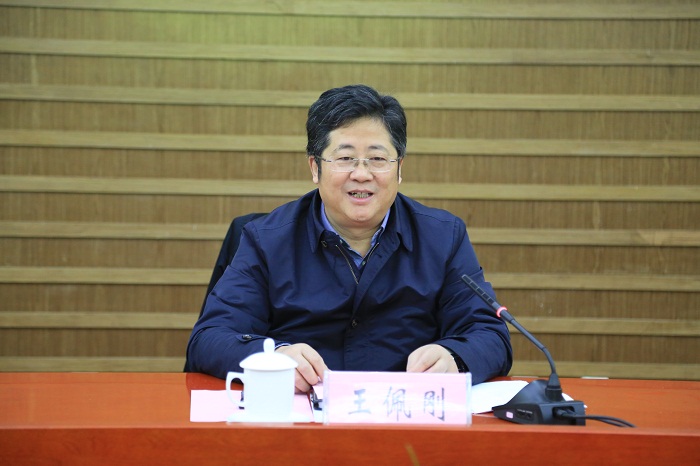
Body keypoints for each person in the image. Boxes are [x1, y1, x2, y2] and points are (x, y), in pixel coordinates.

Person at [186, 84, 512, 392]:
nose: (361, 174)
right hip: (301, 416)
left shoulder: (442, 237)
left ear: (399, 168)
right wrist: (275, 357)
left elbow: (490, 335)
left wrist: (454, 357)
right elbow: (210, 338)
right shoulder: (267, 240)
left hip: (405, 415)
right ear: (315, 168)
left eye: (377, 159)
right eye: (345, 158)